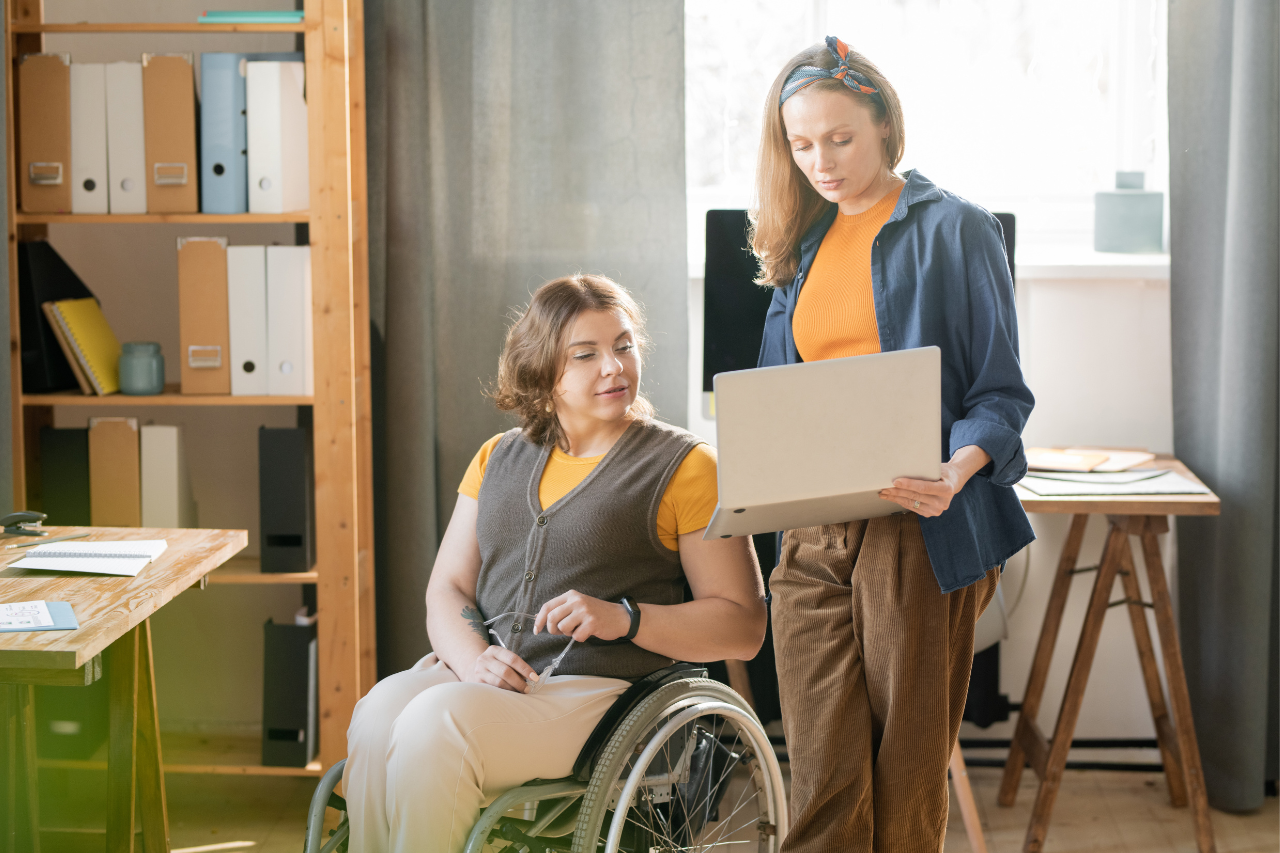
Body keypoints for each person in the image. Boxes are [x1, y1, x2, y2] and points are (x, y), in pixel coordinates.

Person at [342, 274, 767, 853]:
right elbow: (447, 586)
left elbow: (743, 626)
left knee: (432, 726)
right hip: (484, 681)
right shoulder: (497, 457)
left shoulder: (688, 467)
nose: (613, 367)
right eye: (586, 355)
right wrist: (473, 662)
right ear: (543, 371)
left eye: (623, 345)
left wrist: (626, 618)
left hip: (597, 695)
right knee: (376, 714)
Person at [751, 37, 1035, 851]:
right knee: (821, 771)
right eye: (801, 144)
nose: (821, 161)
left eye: (839, 138)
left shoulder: (959, 229)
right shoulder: (798, 244)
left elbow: (1001, 395)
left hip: (920, 522)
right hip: (811, 530)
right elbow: (782, 394)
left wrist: (955, 469)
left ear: (882, 121)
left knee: (903, 773)